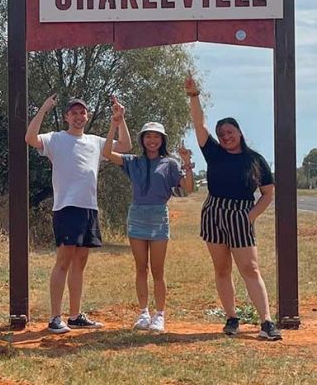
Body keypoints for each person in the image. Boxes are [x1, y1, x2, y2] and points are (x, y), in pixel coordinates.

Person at [184, 75, 282, 341]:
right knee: (222, 269)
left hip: (241, 214)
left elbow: (268, 193)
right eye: (222, 134)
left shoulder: (255, 160)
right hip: (214, 212)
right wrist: (194, 96)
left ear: (239, 133)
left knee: (250, 269)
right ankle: (231, 318)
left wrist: (250, 216)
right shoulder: (213, 153)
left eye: (230, 132)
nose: (226, 137)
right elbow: (199, 123)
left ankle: (267, 322)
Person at [25, 94, 132, 334]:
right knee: (63, 262)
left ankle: (74, 316)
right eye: (73, 113)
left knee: (80, 264)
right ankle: (55, 317)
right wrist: (43, 108)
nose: (78, 116)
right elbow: (30, 138)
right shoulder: (55, 139)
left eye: (82, 112)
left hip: (89, 208)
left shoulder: (95, 142)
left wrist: (119, 119)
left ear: (87, 116)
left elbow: (125, 146)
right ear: (66, 117)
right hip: (66, 207)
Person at [102, 106, 195, 333]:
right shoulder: (133, 161)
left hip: (158, 216)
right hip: (137, 216)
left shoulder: (170, 163)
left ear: (162, 140)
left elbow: (189, 188)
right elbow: (107, 153)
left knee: (158, 270)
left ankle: (160, 315)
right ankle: (143, 313)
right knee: (140, 268)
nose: (152, 140)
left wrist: (186, 163)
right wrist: (115, 123)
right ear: (142, 139)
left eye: (156, 137)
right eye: (148, 136)